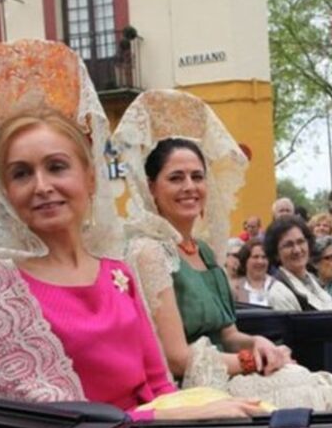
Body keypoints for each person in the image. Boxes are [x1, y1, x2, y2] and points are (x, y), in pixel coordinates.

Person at [0, 39, 262, 420]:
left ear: (90, 177)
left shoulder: (118, 274)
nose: (42, 185)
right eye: (21, 173)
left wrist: (197, 412)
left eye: (57, 166)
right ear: (5, 192)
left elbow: (160, 384)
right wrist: (167, 418)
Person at [113, 89, 293, 388]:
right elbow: (177, 359)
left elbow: (227, 335)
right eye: (176, 178)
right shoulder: (148, 252)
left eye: (197, 177)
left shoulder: (205, 252)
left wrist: (258, 343)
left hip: (228, 373)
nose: (189, 187)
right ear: (151, 187)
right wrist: (250, 362)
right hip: (191, 389)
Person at [264, 216, 332, 312]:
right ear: (276, 254)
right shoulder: (279, 293)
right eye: (288, 245)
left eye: (301, 242)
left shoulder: (313, 280)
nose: (297, 250)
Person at [232, 239, 276, 306]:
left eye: (264, 257)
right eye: (255, 257)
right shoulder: (235, 289)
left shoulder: (277, 286)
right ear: (245, 260)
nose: (260, 261)